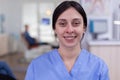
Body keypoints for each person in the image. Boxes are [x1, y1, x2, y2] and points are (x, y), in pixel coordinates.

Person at [25, 1, 109, 80]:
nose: (69, 30)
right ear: (54, 29)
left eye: (76, 23)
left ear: (84, 28)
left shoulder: (99, 67)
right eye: (62, 24)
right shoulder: (36, 67)